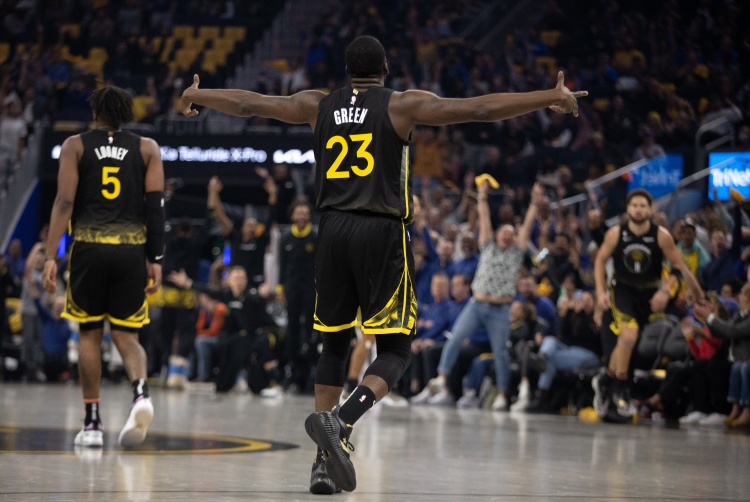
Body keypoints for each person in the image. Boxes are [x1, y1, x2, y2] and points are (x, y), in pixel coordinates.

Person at [179, 35, 586, 493]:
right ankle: (343, 422)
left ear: (347, 71)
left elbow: (249, 103)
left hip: (332, 230)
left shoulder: (318, 104)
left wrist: (199, 94)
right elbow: (479, 109)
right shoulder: (401, 104)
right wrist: (548, 97)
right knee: (395, 350)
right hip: (381, 231)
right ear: (385, 69)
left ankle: (322, 464)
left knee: (334, 346)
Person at [42, 86, 164, 449]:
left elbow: (64, 202)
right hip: (130, 251)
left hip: (89, 250)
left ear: (95, 112)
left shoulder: (75, 146)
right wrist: (156, 259)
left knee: (90, 335)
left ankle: (93, 423)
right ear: (127, 113)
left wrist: (50, 256)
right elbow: (156, 209)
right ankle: (140, 395)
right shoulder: (147, 148)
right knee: (128, 336)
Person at [594, 189, 704, 421]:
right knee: (629, 334)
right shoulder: (616, 233)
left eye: (643, 206)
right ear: (627, 209)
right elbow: (600, 260)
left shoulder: (661, 236)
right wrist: (600, 291)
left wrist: (665, 291)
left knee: (627, 342)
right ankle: (621, 390)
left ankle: (606, 380)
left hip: (649, 294)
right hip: (622, 290)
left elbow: (677, 267)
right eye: (634, 205)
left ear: (651, 210)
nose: (638, 210)